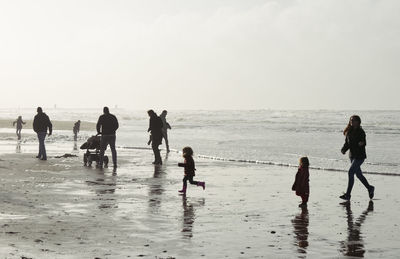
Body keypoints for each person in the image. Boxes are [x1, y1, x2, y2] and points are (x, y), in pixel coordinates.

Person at [340, 115, 375, 201]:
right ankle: (370, 188)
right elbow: (347, 144)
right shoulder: (349, 132)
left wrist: (362, 143)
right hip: (352, 156)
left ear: (358, 122)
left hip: (360, 156)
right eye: (351, 120)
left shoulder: (361, 131)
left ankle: (348, 195)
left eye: (354, 120)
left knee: (350, 172)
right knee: (359, 175)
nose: (352, 122)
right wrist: (343, 149)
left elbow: (364, 142)